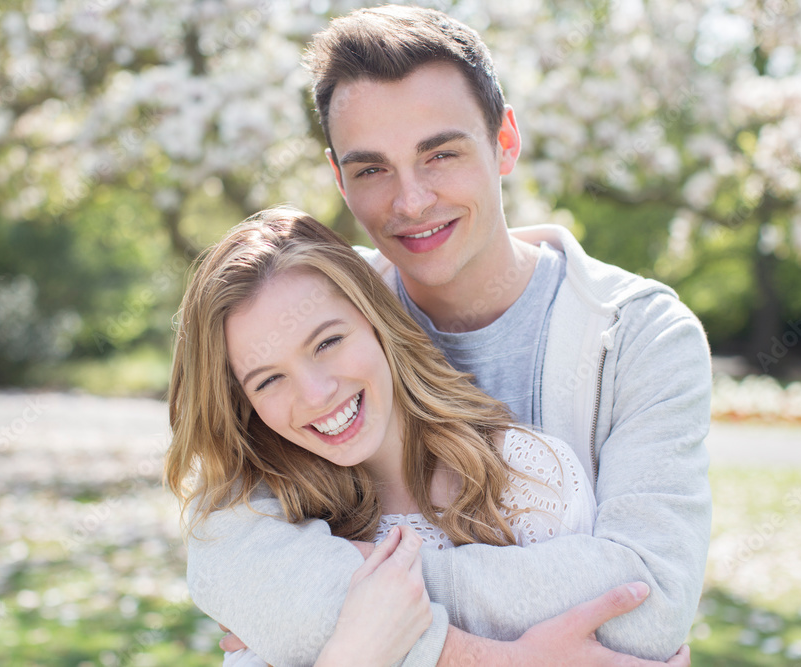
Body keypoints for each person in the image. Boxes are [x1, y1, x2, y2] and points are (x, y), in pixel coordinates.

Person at [182, 5, 711, 665]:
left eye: (440, 153)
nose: (411, 200)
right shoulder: (315, 313)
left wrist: (336, 586)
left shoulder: (638, 335)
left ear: (505, 141)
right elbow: (226, 557)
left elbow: (647, 608)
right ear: (340, 180)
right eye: (372, 169)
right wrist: (488, 656)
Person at [167, 208, 600, 665]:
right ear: (245, 406)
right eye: (268, 380)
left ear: (376, 318)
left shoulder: (529, 478)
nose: (317, 395)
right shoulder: (274, 537)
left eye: (327, 342)